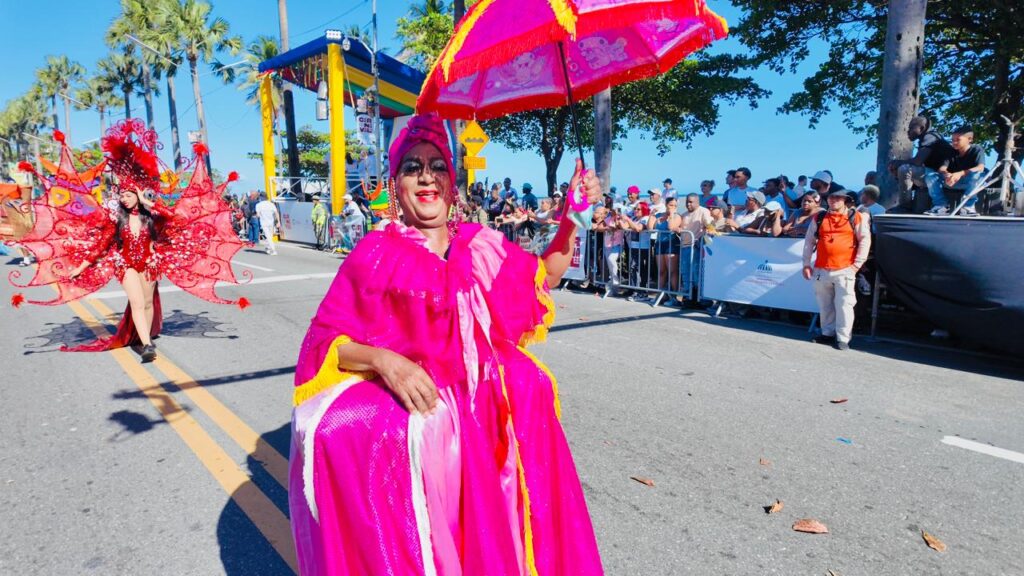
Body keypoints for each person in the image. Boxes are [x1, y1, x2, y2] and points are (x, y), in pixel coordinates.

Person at [289, 114, 604, 575]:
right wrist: (385, 361)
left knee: (499, 543)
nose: (426, 176)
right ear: (396, 185)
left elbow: (546, 274)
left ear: (452, 184)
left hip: (492, 424)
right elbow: (325, 342)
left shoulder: (482, 245)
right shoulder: (374, 253)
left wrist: (572, 217)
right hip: (433, 436)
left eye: (437, 166)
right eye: (412, 167)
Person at [13, 120, 248, 361]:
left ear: (137, 194)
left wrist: (148, 203)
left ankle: (144, 335)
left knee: (147, 304)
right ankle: (147, 345)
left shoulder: (151, 217)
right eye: (122, 195)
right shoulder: (116, 220)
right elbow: (101, 246)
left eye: (128, 194)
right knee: (136, 302)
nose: (124, 199)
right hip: (126, 265)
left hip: (150, 264)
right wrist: (81, 268)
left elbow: (175, 219)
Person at [802, 188, 871, 351]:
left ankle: (843, 338)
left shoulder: (856, 217)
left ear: (845, 200)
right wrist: (806, 264)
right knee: (824, 304)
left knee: (845, 305)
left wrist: (856, 265)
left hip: (845, 268)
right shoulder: (819, 217)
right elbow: (809, 241)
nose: (833, 200)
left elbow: (865, 240)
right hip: (822, 268)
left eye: (838, 198)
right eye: (831, 197)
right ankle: (827, 333)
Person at [888, 116, 956, 213]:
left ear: (922, 128)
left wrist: (898, 163)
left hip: (942, 176)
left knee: (904, 169)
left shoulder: (930, 137)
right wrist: (898, 173)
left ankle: (905, 206)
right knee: (902, 169)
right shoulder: (929, 138)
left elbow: (918, 161)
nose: (908, 131)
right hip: (935, 174)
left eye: (911, 128)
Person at [936, 125, 986, 215]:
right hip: (951, 182)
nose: (954, 142)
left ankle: (968, 207)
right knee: (931, 175)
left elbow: (980, 167)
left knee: (978, 175)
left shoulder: (977, 149)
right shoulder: (950, 150)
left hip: (969, 183)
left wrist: (960, 173)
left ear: (969, 139)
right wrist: (947, 174)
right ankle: (941, 206)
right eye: (952, 140)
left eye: (958, 140)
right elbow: (942, 168)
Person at [647, 195, 683, 300]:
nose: (673, 207)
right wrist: (651, 215)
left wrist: (671, 215)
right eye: (671, 205)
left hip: (671, 243)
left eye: (675, 206)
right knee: (661, 271)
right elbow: (650, 229)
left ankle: (674, 296)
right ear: (666, 205)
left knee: (672, 271)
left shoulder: (677, 216)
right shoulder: (659, 216)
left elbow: (670, 227)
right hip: (660, 244)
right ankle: (661, 294)